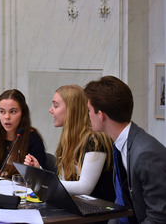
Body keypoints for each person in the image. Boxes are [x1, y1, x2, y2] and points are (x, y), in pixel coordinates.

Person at [84, 76, 166, 223]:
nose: (88, 115)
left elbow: (158, 218)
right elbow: (121, 202)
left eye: (89, 110)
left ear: (101, 115)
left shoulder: (146, 154)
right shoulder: (122, 145)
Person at [25, 85, 115, 202]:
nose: (50, 110)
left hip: (100, 211)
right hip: (78, 204)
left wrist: (45, 181)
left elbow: (85, 187)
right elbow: (66, 181)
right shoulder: (68, 138)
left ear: (72, 109)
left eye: (55, 105)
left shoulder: (95, 140)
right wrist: (40, 170)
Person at [0, 89, 46, 177]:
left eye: (13, 111)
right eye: (2, 111)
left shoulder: (33, 139)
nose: (7, 117)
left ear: (23, 113)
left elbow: (36, 178)